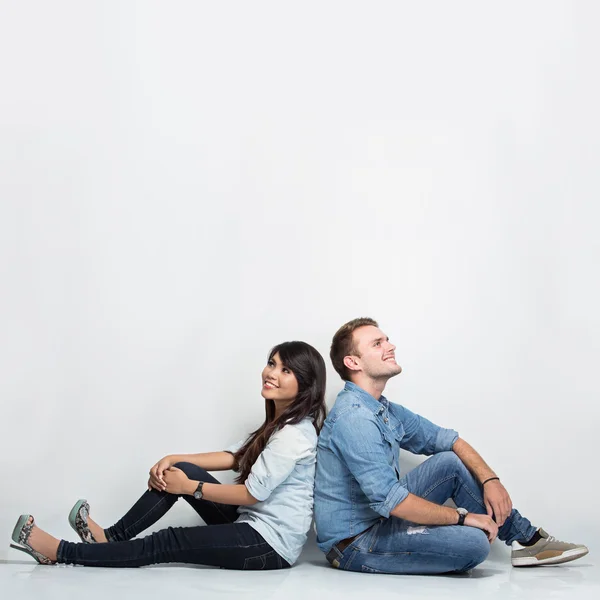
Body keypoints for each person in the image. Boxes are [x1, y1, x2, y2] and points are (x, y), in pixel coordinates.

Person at [11, 341, 327, 570]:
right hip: (253, 523)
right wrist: (174, 459)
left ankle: (61, 552)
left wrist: (191, 488)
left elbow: (250, 493)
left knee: (168, 541)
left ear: (305, 386)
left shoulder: (294, 435)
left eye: (285, 370)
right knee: (185, 468)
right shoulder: (279, 422)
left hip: (269, 546)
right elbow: (236, 457)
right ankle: (110, 538)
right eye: (272, 363)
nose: (271, 373)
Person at [314, 318, 588, 574]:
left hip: (380, 520)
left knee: (450, 462)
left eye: (387, 340)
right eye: (378, 344)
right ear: (353, 362)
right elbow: (393, 501)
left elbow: (450, 440)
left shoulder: (381, 409)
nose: (390, 346)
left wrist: (491, 479)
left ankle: (525, 539)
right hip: (355, 543)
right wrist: (463, 517)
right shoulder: (355, 418)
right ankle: (519, 539)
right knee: (476, 545)